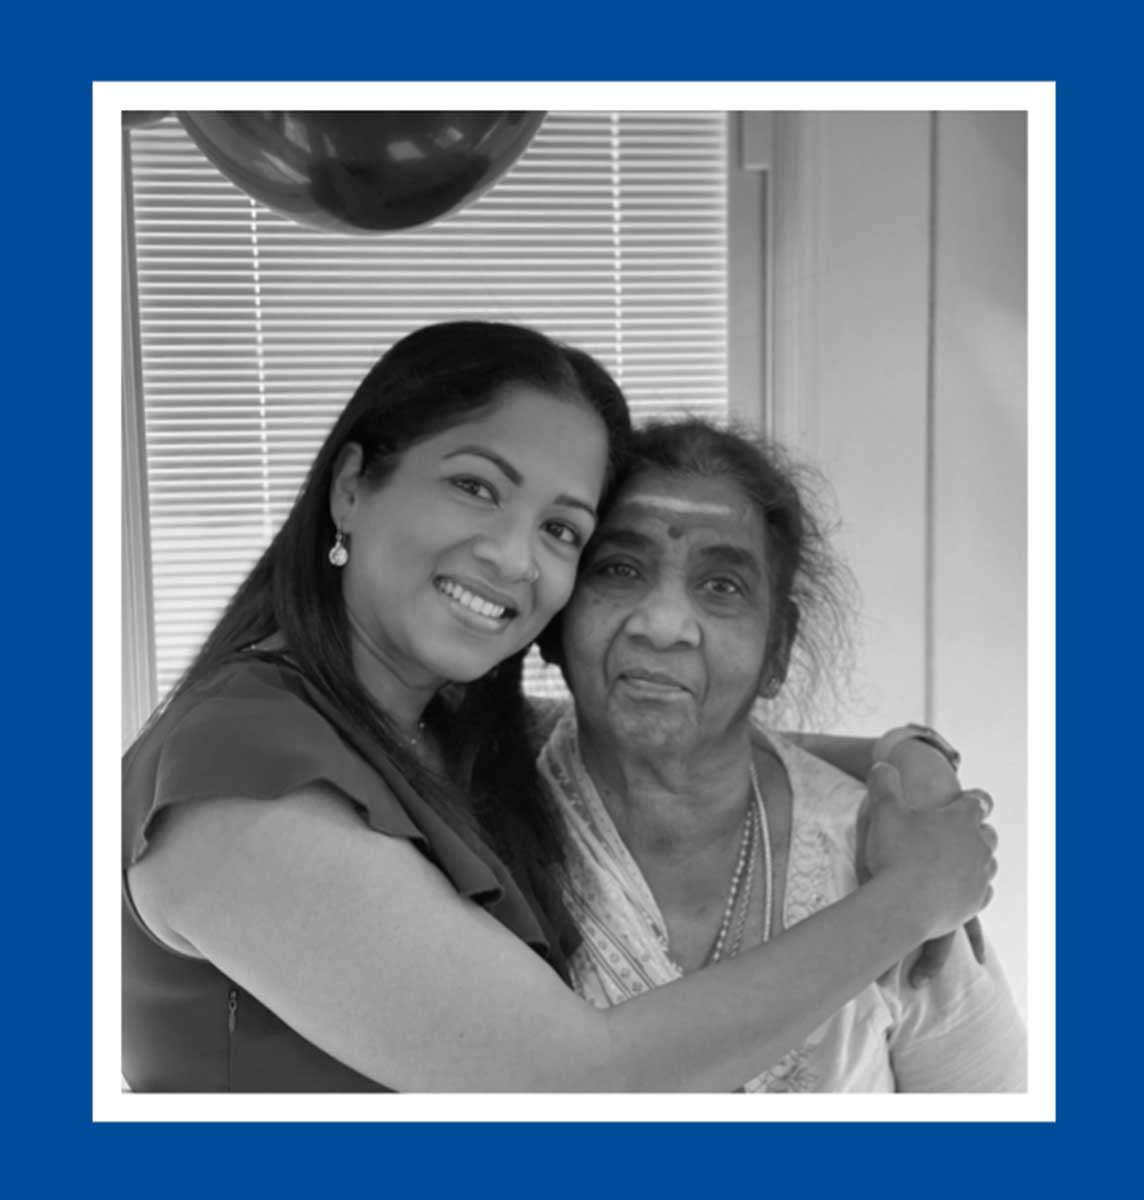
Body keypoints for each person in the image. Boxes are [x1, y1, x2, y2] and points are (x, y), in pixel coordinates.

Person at [122, 321, 998, 1093]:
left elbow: (664, 732)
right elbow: (574, 1084)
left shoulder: (421, 734)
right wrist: (916, 895)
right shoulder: (239, 775)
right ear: (353, 484)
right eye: (475, 486)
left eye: (562, 530)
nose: (511, 556)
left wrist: (897, 757)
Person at [536, 418, 1026, 1091]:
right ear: (554, 620)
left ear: (779, 649)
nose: (662, 624)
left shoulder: (887, 850)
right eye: (619, 569)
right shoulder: (479, 838)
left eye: (722, 586)